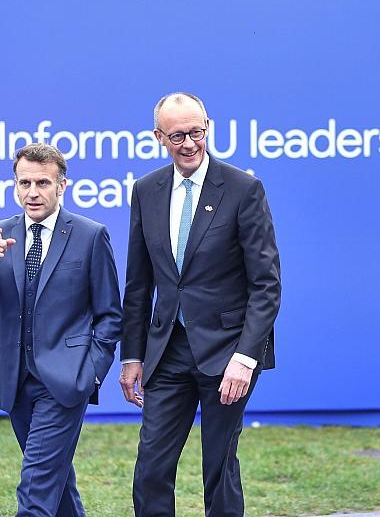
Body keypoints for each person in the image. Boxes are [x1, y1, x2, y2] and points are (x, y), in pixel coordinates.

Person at [119, 92, 281, 516]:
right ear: (159, 137)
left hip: (228, 353)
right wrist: (131, 356)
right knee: (151, 468)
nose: (189, 143)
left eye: (197, 132)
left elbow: (266, 284)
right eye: (178, 136)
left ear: (207, 128)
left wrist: (245, 358)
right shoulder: (146, 191)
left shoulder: (243, 189)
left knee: (219, 468)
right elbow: (138, 283)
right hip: (167, 350)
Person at [0, 143, 122, 517]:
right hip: (14, 380)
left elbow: (111, 315)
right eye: (24, 183)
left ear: (61, 186)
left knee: (35, 486)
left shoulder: (90, 235)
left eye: (43, 183)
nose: (32, 192)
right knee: (55, 483)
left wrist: (90, 374)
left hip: (65, 381)